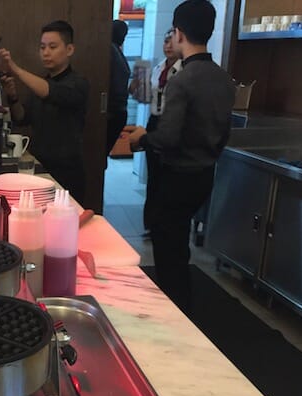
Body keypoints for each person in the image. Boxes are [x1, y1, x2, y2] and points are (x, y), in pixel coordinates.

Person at [128, 0, 235, 312]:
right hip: (204, 175)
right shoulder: (223, 79)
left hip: (178, 176)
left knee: (168, 248)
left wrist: (142, 138)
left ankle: (174, 310)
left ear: (179, 33)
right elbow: (224, 134)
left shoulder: (183, 80)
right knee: (179, 244)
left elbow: (168, 138)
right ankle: (180, 304)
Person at [0, 20, 89, 204]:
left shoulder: (78, 83)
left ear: (69, 49)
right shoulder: (40, 83)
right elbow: (22, 118)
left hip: (66, 170)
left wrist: (14, 67)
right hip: (39, 165)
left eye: (53, 47)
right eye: (42, 47)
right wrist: (13, 97)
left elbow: (51, 92)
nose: (46, 52)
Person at [142, 28, 182, 235]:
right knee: (153, 176)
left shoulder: (184, 71)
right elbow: (147, 95)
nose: (167, 46)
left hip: (171, 123)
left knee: (166, 176)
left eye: (171, 41)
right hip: (154, 121)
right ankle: (150, 223)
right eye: (165, 42)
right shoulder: (157, 68)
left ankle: (161, 223)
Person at [106, 19, 130, 155]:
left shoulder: (110, 50)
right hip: (119, 111)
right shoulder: (117, 53)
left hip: (112, 112)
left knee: (98, 155)